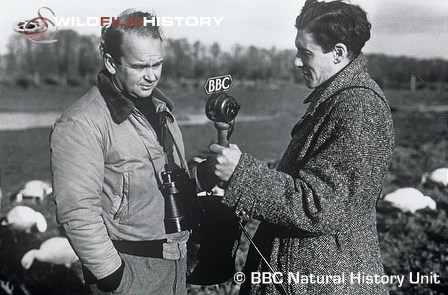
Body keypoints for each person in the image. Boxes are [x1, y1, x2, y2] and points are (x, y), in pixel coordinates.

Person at [206, 0, 395, 294]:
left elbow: (321, 207)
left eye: (305, 52)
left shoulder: (359, 107)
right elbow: (310, 180)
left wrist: (242, 174)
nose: (296, 61)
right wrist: (236, 172)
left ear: (339, 53)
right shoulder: (337, 100)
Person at [50, 9, 190, 294]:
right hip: (128, 270)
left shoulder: (164, 110)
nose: (152, 76)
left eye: (157, 64)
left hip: (176, 264)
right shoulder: (80, 123)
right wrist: (114, 278)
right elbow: (77, 211)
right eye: (140, 66)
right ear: (111, 62)